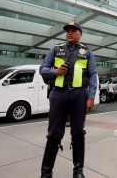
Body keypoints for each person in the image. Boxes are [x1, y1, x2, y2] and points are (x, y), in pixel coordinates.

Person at [39, 21, 98, 178]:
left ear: (80, 34)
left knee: (78, 132)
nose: (70, 33)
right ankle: (46, 173)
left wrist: (91, 97)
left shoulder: (87, 53)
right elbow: (42, 70)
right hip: (58, 95)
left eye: (73, 30)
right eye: (68, 31)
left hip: (79, 96)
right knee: (53, 134)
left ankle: (78, 172)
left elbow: (92, 75)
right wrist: (55, 72)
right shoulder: (56, 49)